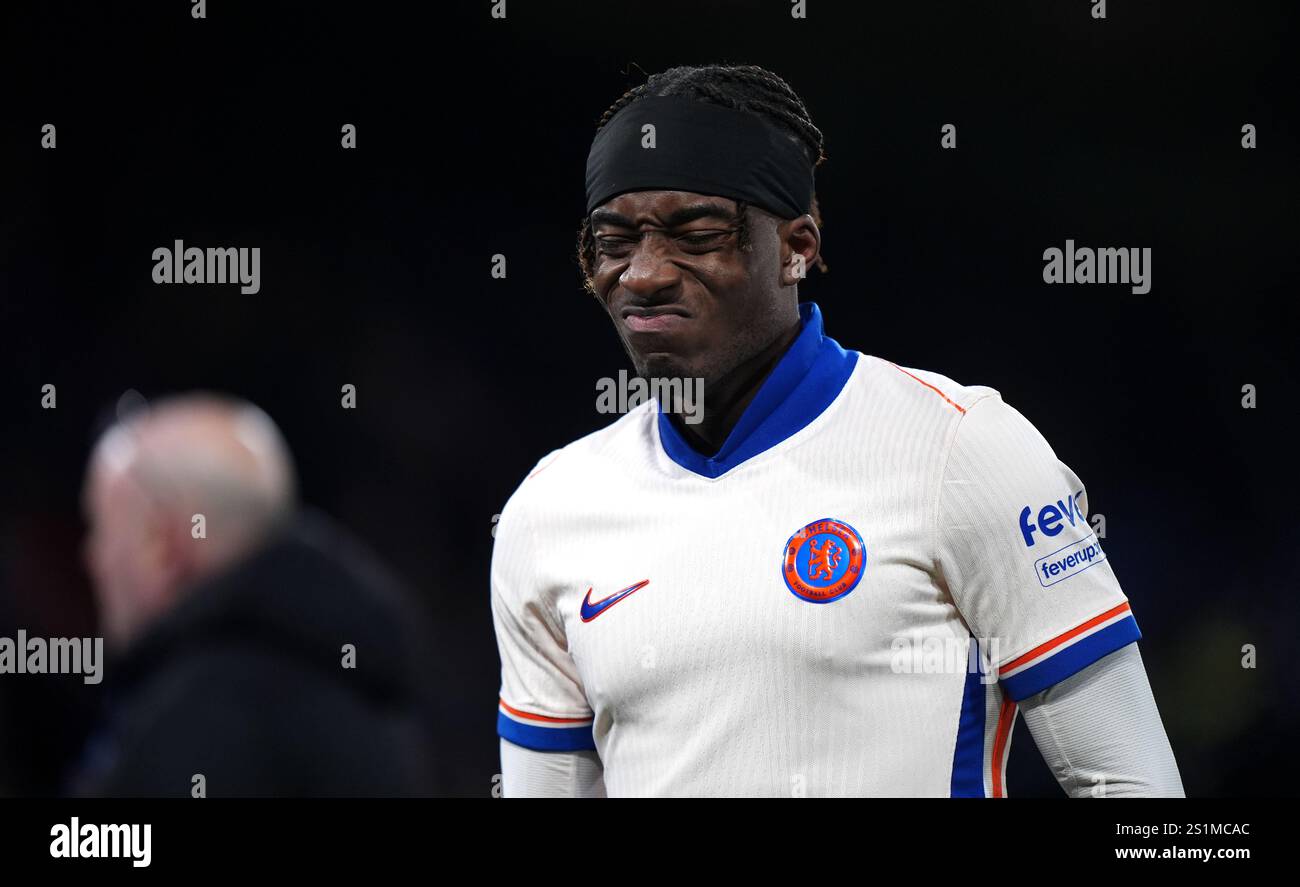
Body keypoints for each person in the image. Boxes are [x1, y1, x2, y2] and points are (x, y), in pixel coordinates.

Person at [490, 63, 1184, 797]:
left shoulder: (958, 448)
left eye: (696, 233)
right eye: (614, 240)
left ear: (797, 246)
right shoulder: (550, 510)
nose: (644, 273)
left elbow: (1133, 786)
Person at [74, 394, 437, 796]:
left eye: (102, 530)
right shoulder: (372, 702)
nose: (93, 559)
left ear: (164, 547)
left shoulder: (183, 734)